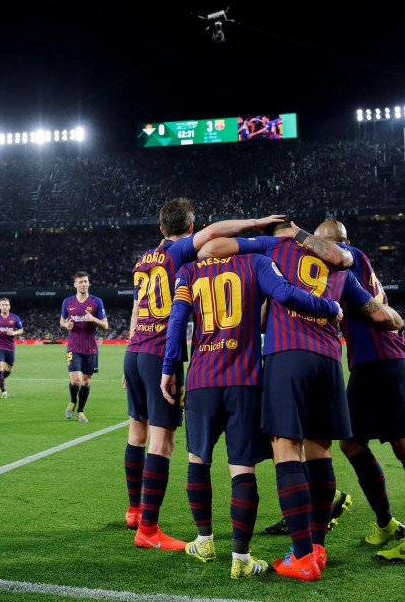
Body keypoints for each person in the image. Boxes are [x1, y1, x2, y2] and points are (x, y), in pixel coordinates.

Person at [199, 220, 402, 581]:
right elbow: (385, 317)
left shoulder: (275, 247)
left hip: (287, 356)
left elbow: (212, 248)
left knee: (286, 449)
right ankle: (317, 548)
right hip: (328, 361)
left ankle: (303, 556)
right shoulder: (343, 270)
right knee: (320, 450)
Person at [163, 247, 342, 579]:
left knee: (197, 460)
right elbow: (285, 293)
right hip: (244, 379)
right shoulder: (255, 262)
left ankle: (204, 541)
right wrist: (329, 306)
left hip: (201, 378)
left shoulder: (188, 271)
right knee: (242, 469)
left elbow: (177, 319)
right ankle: (241, 558)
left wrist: (170, 366)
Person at [122, 196, 286, 552]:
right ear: (189, 229)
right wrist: (255, 221)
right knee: (161, 442)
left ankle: (135, 510)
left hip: (134, 350)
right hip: (157, 350)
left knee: (137, 432)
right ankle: (148, 528)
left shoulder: (142, 261)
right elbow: (214, 233)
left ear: (160, 227)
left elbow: (136, 307)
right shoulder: (178, 253)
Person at [313, 217, 405, 565]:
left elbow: (376, 314)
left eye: (320, 246)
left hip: (377, 363)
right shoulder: (357, 266)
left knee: (351, 443)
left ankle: (386, 523)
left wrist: (295, 235)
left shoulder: (346, 259)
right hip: (404, 360)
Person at [60, 271, 108, 423]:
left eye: (86, 282)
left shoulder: (96, 302)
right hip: (73, 346)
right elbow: (61, 321)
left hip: (90, 348)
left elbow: (105, 326)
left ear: (89, 283)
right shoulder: (68, 302)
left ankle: (80, 411)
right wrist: (66, 324)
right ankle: (73, 400)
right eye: (80, 282)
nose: (84, 284)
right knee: (74, 379)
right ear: (75, 284)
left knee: (86, 382)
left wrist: (93, 319)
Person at [0, 297, 23, 398]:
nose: (4, 307)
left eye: (6, 305)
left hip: (10, 347)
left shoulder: (15, 318)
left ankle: (0, 379)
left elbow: (21, 330)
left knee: (9, 369)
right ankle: (4, 391)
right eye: (2, 305)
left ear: (9, 307)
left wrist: (14, 332)